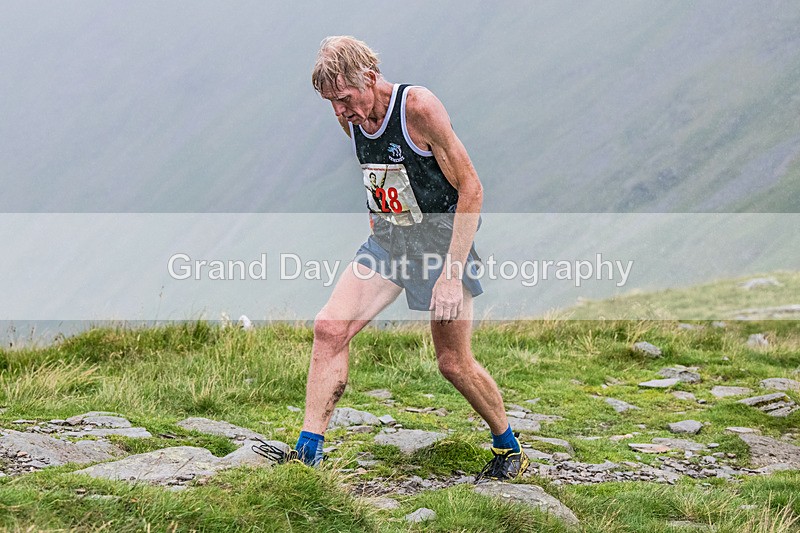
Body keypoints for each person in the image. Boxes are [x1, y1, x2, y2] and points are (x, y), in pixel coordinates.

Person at [258, 36, 528, 481]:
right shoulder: (352, 119)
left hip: (441, 247)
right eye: (331, 103)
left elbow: (471, 187)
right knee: (329, 328)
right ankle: (308, 455)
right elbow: (379, 179)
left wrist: (450, 273)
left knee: (453, 363)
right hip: (388, 243)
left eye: (345, 98)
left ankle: (507, 445)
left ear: (369, 76)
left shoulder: (418, 107)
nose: (342, 112)